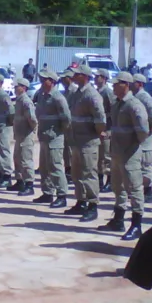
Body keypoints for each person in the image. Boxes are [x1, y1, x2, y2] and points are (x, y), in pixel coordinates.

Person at [98, 72, 150, 240]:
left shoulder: (134, 105)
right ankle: (118, 220)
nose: (113, 87)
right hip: (117, 153)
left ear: (125, 85)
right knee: (118, 187)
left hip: (130, 154)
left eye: (116, 84)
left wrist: (132, 145)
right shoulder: (117, 104)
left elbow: (143, 131)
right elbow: (116, 126)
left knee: (134, 189)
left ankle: (136, 225)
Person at [66, 65, 106, 221]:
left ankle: (92, 205)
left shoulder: (91, 95)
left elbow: (100, 119)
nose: (74, 76)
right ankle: (81, 201)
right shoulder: (77, 93)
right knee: (77, 173)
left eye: (78, 74)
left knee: (89, 173)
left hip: (88, 141)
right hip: (77, 140)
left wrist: (95, 133)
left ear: (85, 76)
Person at [34, 69, 71, 208]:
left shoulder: (58, 97)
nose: (43, 82)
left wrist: (58, 131)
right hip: (44, 137)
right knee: (44, 167)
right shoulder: (43, 96)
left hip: (54, 138)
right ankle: (47, 192)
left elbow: (66, 118)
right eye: (42, 80)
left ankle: (62, 195)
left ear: (53, 81)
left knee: (55, 167)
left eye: (45, 80)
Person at [131, 73, 152, 203]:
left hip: (145, 138)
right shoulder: (133, 97)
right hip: (136, 136)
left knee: (145, 165)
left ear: (140, 84)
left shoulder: (144, 97)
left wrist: (148, 131)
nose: (131, 84)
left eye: (133, 82)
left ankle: (148, 192)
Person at [11, 78, 37, 196]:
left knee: (26, 160)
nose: (15, 88)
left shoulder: (26, 101)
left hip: (26, 135)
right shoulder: (19, 100)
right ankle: (19, 181)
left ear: (24, 88)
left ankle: (29, 185)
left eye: (18, 86)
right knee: (17, 158)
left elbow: (32, 119)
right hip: (19, 135)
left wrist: (31, 130)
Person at [95, 69, 115, 193]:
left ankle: (110, 181)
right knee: (98, 157)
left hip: (107, 128)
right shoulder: (97, 91)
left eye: (98, 77)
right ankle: (99, 180)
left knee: (106, 157)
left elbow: (114, 111)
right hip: (98, 128)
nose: (96, 78)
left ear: (104, 78)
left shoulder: (108, 92)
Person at [60, 69, 78, 183]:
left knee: (71, 149)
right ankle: (67, 170)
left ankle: (72, 171)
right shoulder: (65, 91)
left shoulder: (74, 91)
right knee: (66, 149)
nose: (62, 80)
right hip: (65, 124)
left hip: (72, 124)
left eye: (64, 78)